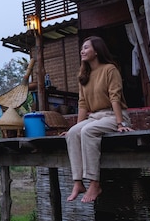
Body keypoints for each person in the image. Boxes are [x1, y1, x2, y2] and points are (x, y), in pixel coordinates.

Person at [60, 35, 133, 203]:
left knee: (88, 131)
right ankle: (78, 182)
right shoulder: (84, 75)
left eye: (86, 47)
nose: (82, 51)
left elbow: (115, 97)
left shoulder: (110, 69)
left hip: (113, 115)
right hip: (94, 117)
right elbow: (83, 104)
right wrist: (74, 128)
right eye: (82, 48)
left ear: (97, 51)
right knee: (73, 133)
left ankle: (94, 183)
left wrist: (120, 123)